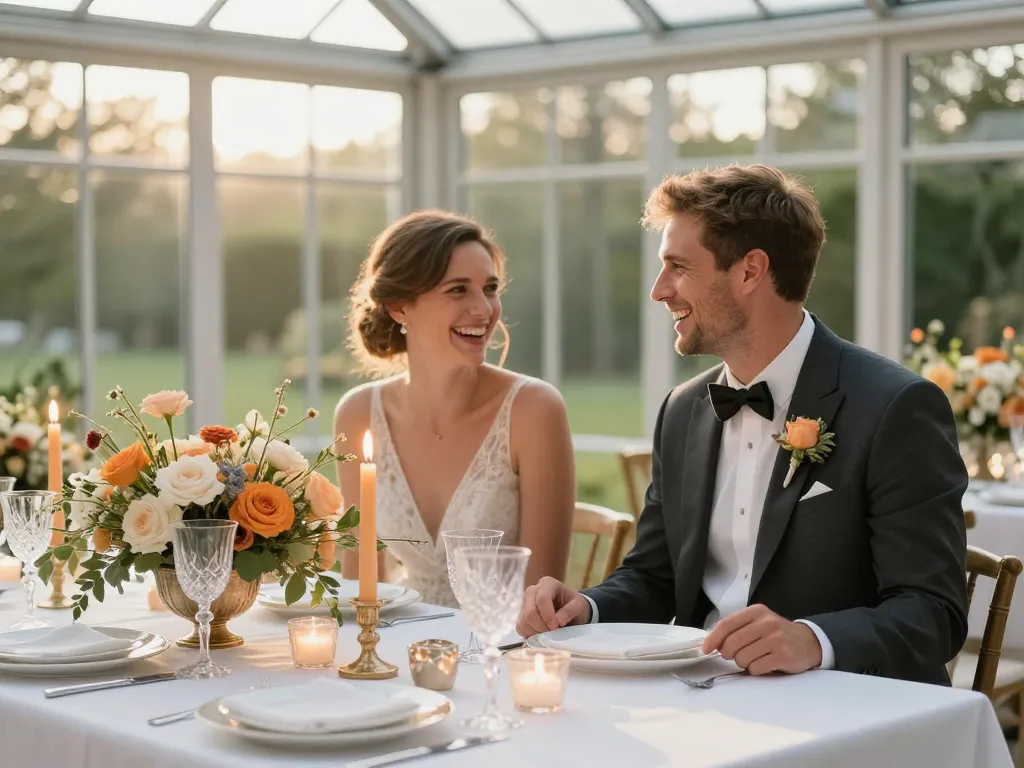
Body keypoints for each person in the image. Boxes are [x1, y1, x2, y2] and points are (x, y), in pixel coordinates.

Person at [517, 164, 968, 685]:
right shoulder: (682, 409)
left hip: (847, 710)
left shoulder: (897, 407)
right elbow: (653, 576)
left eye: (678, 267)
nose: (659, 290)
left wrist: (813, 639)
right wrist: (587, 609)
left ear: (751, 271)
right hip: (700, 697)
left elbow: (934, 613)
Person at [334, 209, 575, 608]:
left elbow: (542, 600)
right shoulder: (358, 414)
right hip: (398, 648)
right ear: (399, 306)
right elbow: (360, 586)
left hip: (501, 649)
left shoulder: (534, 411)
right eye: (458, 290)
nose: (484, 310)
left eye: (490, 288)